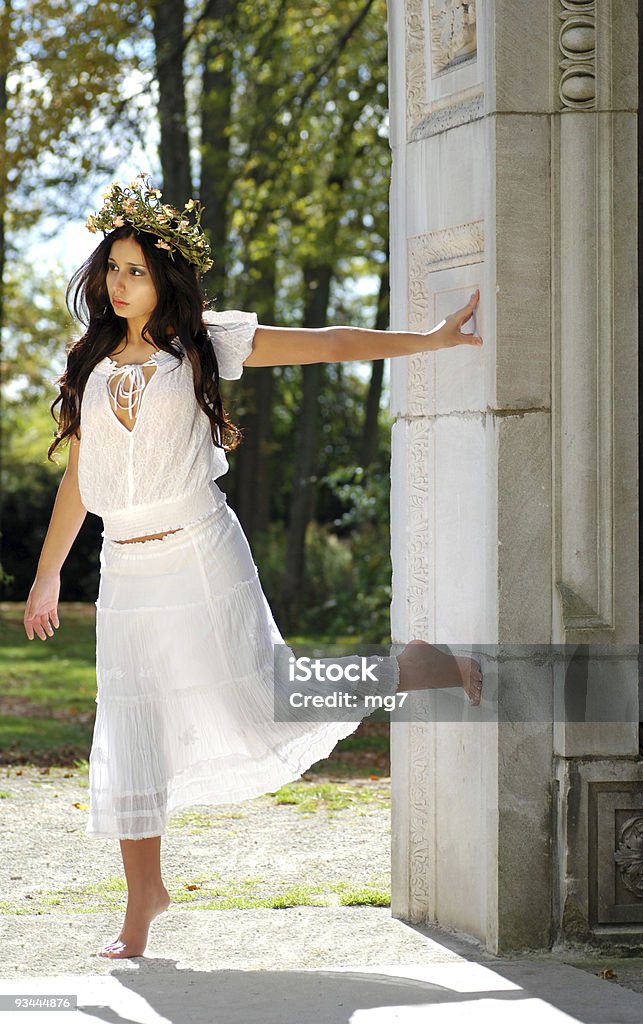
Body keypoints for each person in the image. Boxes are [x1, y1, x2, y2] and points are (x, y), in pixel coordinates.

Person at [22, 176, 484, 959]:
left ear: (166, 278)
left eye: (137, 270)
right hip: (125, 567)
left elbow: (332, 343)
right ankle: (143, 903)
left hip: (201, 552)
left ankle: (413, 667)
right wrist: (46, 575)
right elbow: (81, 477)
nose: (121, 283)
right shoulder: (93, 363)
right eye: (114, 269)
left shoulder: (201, 342)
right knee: (130, 719)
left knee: (272, 695)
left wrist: (433, 339)